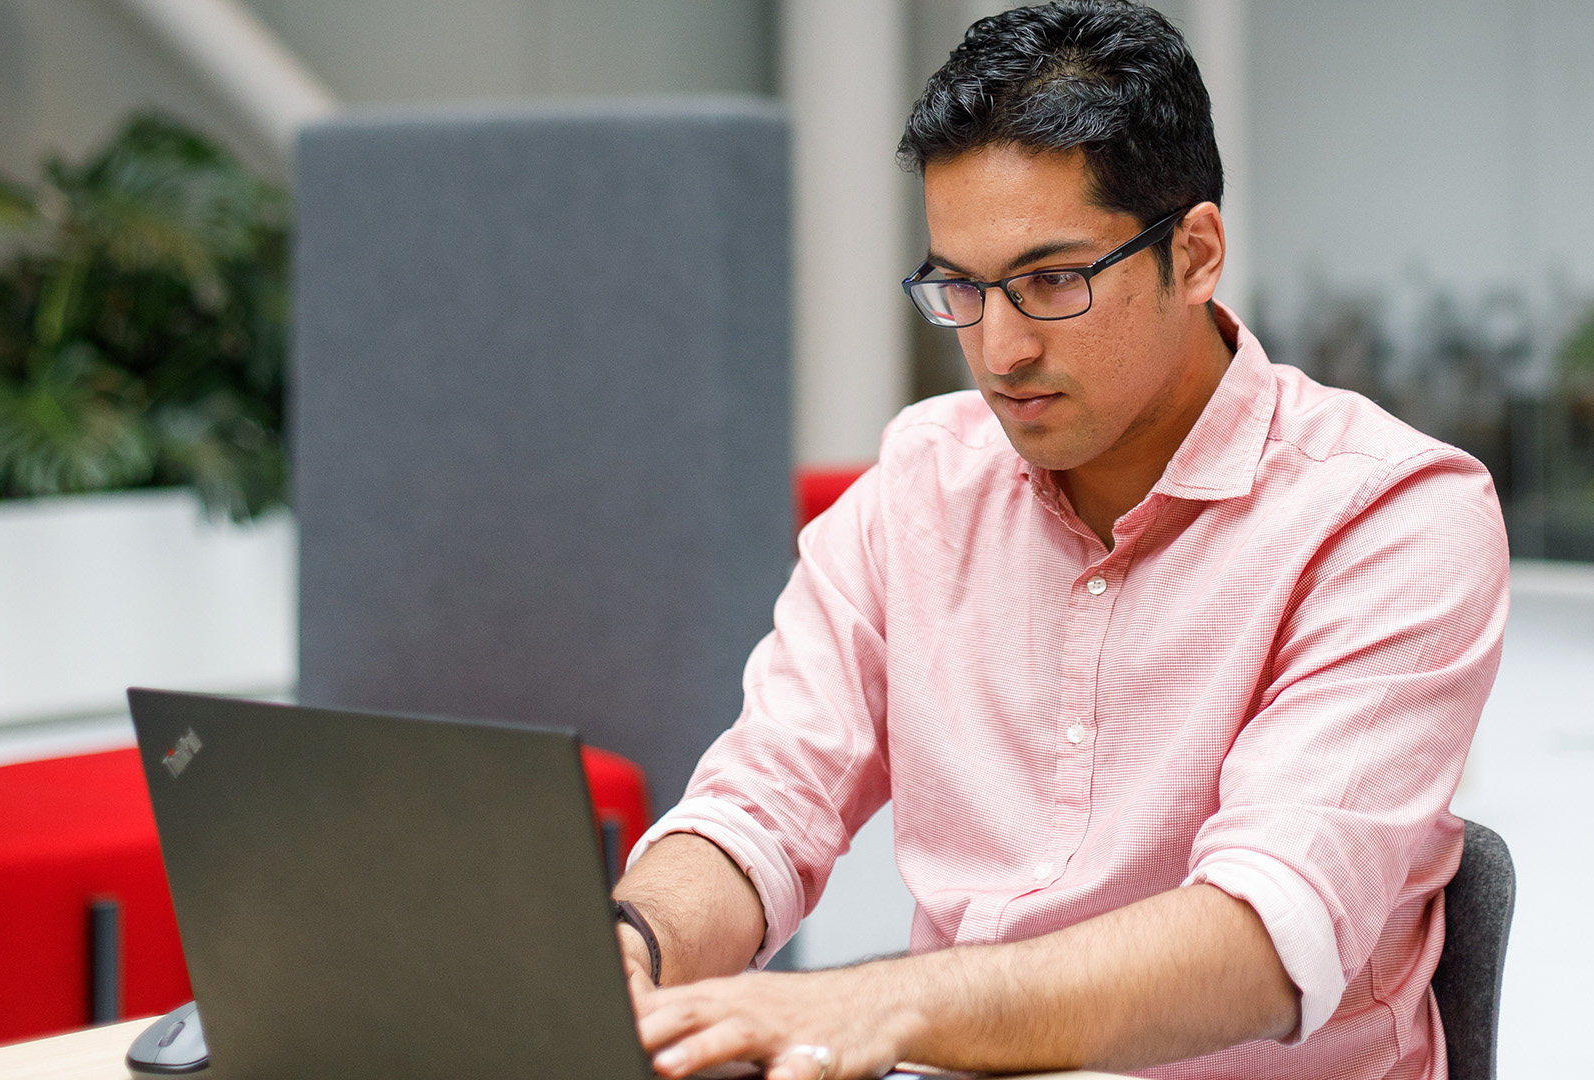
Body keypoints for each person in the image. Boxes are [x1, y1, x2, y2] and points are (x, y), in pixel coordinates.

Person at [611, 3, 1508, 1079]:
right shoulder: (919, 487)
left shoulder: (1390, 517)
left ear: (1197, 251)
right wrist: (636, 948)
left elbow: (1267, 939)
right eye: (962, 289)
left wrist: (879, 1004)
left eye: (1051, 281)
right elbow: (764, 802)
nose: (999, 350)